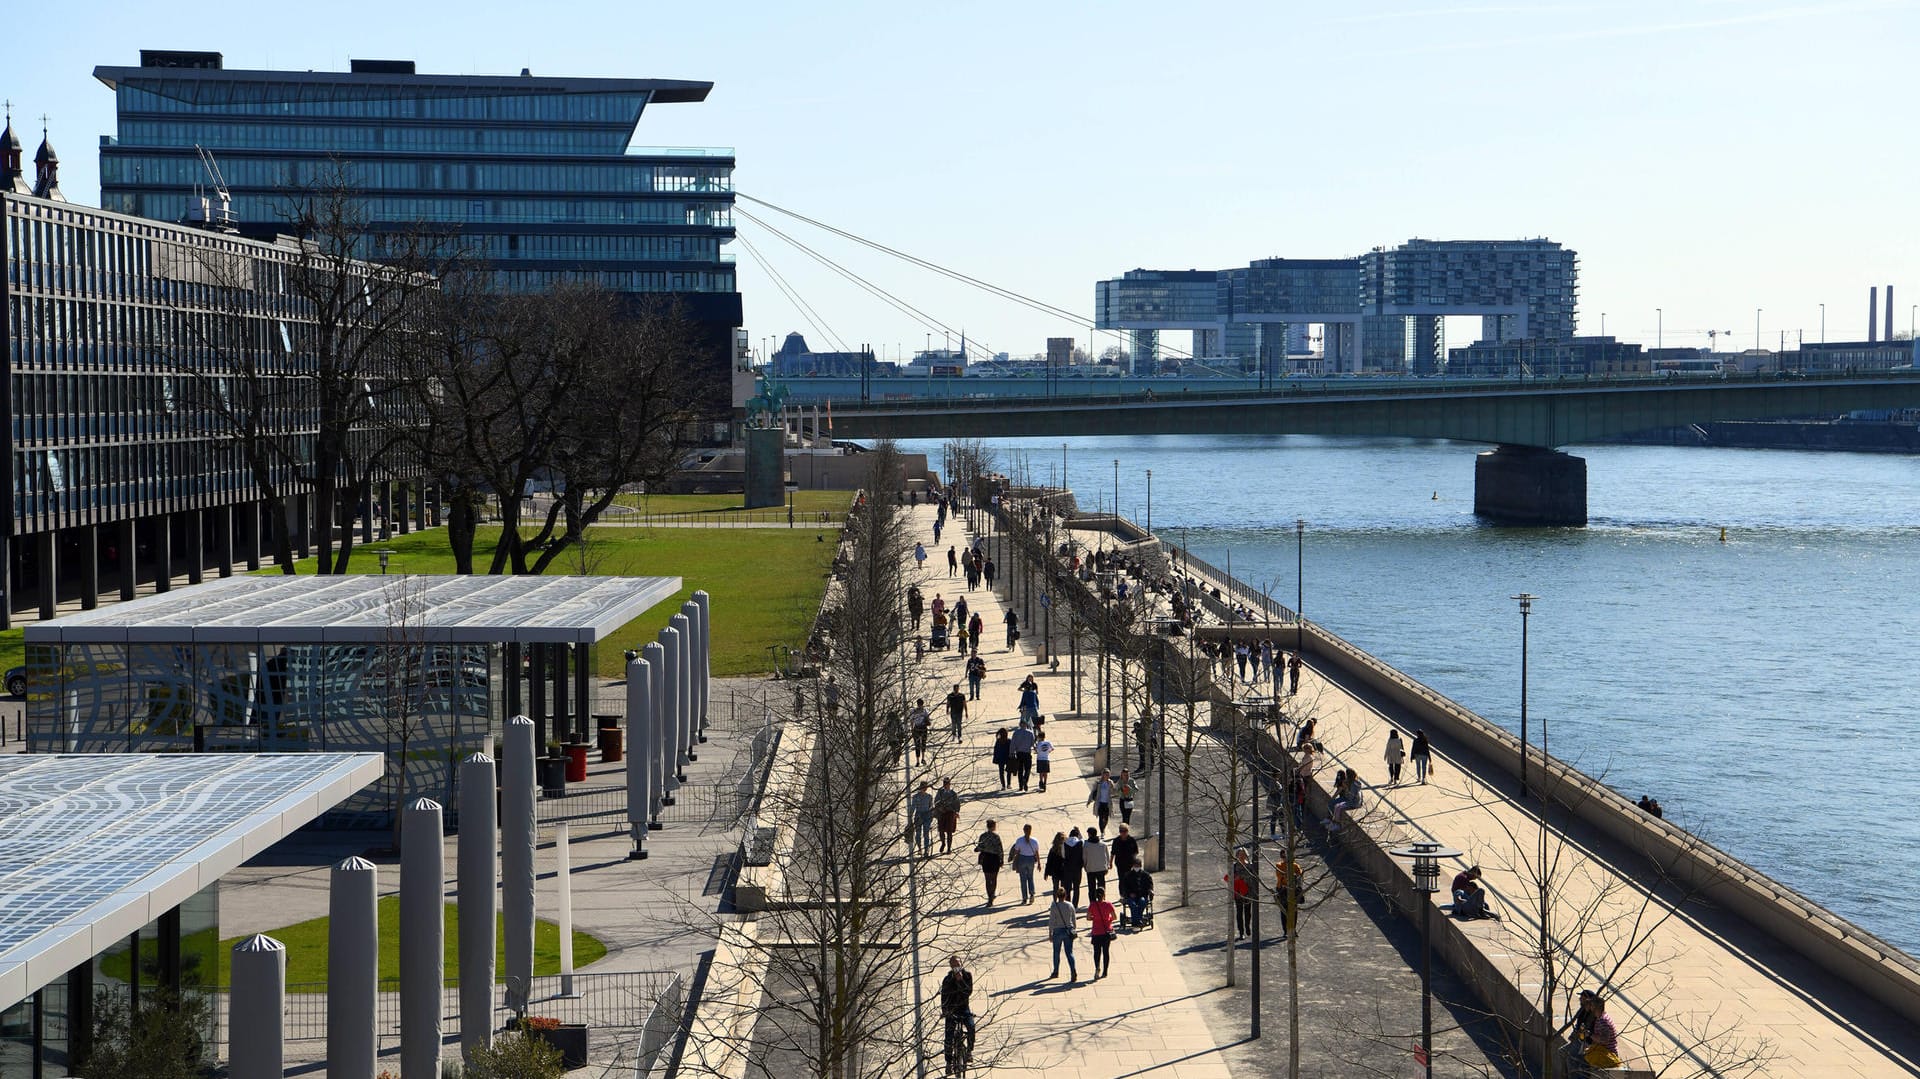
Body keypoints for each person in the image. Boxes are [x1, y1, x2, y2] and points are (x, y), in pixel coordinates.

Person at [1569, 989, 1624, 1072]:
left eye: (1591, 1005)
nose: (1589, 1006)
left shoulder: (1603, 1021)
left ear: (1595, 1007)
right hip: (1599, 1050)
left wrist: (1589, 1034)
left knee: (1580, 1061)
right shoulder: (1600, 1018)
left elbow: (1604, 1041)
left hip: (1607, 1053)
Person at [940, 956, 976, 1064]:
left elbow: (968, 992)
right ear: (951, 966)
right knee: (949, 1036)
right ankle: (949, 1062)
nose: (957, 967)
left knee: (971, 1027)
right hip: (951, 1010)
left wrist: (960, 981)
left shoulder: (967, 976)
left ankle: (969, 1051)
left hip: (964, 1008)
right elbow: (944, 996)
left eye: (958, 964)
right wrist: (945, 1011)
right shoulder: (947, 979)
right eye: (954, 965)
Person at [1048, 888, 1079, 981]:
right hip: (1068, 930)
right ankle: (1073, 971)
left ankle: (1056, 971)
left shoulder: (1054, 906)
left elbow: (1051, 920)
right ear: (1065, 895)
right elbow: (1073, 919)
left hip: (1057, 931)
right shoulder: (1070, 905)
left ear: (1057, 896)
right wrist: (1074, 929)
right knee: (1069, 952)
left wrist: (1050, 933)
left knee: (1056, 952)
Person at [1225, 848, 1256, 940]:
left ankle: (1247, 926)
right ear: (1237, 855)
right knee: (1239, 912)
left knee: (1248, 912)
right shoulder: (1234, 866)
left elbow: (1253, 877)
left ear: (1246, 855)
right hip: (1238, 892)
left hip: (1248, 892)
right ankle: (1241, 932)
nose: (1241, 856)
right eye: (1240, 854)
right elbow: (1229, 878)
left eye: (1243, 854)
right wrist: (1235, 879)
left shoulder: (1250, 866)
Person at [1087, 887, 1118, 979]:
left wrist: (1095, 918)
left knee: (1097, 952)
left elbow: (1088, 917)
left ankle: (1097, 967)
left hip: (1096, 932)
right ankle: (1105, 971)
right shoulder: (1108, 905)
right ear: (1104, 895)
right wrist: (1108, 919)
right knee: (1106, 952)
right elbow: (1115, 917)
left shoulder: (1092, 905)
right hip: (1106, 932)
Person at [974, 819, 1005, 906]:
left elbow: (980, 847)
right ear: (993, 826)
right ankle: (992, 894)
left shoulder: (983, 836)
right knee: (994, 878)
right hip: (994, 859)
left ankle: (989, 896)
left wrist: (977, 849)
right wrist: (1001, 859)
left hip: (986, 858)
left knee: (987, 879)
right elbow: (1000, 849)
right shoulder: (996, 837)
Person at [1011, 824, 1042, 904]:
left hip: (1022, 859)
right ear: (1031, 830)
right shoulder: (1035, 841)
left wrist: (1014, 861)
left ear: (1023, 830)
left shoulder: (1019, 840)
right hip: (1031, 860)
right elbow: (1037, 852)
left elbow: (1016, 851)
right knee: (1030, 878)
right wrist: (1039, 863)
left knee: (1023, 880)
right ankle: (1032, 894)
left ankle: (1024, 898)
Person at [1119, 857, 1154, 928]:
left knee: (1142, 902)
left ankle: (1136, 921)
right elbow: (1124, 887)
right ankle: (1138, 921)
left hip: (1142, 895)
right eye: (1135, 866)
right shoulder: (1128, 875)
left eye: (1138, 866)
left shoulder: (1146, 875)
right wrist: (1129, 893)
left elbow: (1150, 885)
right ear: (1133, 866)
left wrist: (1150, 890)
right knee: (1133, 904)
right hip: (1131, 896)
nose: (1136, 867)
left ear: (1140, 866)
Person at [934, 778, 961, 854]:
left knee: (949, 832)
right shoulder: (940, 793)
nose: (946, 785)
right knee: (941, 830)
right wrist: (940, 808)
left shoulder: (953, 794)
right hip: (942, 813)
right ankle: (943, 843)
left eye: (947, 784)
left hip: (950, 814)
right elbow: (936, 801)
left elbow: (957, 804)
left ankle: (949, 848)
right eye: (945, 784)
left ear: (949, 784)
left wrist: (956, 812)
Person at [1082, 829, 1111, 898]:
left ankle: (1092, 902)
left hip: (1091, 869)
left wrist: (1085, 866)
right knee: (1101, 886)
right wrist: (1107, 866)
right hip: (1101, 869)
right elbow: (1107, 856)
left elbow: (1084, 857)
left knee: (1091, 887)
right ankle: (1102, 899)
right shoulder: (1103, 844)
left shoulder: (1086, 845)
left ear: (1089, 834)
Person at [909, 782, 935, 857]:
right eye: (923, 787)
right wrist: (910, 817)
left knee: (926, 834)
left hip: (927, 815)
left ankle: (926, 849)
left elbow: (931, 807)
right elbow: (913, 807)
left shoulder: (929, 797)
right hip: (918, 816)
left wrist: (931, 816)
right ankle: (919, 848)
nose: (924, 788)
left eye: (925, 787)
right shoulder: (915, 797)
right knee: (918, 834)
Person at [1062, 828, 1086, 905]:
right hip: (1077, 868)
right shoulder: (1080, 843)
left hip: (1067, 868)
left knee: (1067, 888)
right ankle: (1075, 905)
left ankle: (1068, 903)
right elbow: (1082, 839)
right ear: (1077, 835)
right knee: (1076, 887)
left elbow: (1063, 855)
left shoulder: (1064, 843)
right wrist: (1079, 831)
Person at [1009, 722, 1036, 791]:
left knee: (1020, 770)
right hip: (1027, 753)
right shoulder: (1030, 733)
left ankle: (1021, 786)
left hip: (1019, 754)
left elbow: (1013, 744)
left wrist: (1011, 752)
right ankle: (1025, 780)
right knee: (1028, 769)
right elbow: (1033, 743)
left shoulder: (1016, 733)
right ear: (1026, 725)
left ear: (1020, 725)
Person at [909, 699, 931, 765]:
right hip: (923, 728)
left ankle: (919, 760)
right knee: (922, 744)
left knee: (918, 744)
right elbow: (928, 719)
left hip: (917, 728)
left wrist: (912, 729)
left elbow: (911, 720)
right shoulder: (925, 711)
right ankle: (922, 759)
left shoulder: (913, 711)